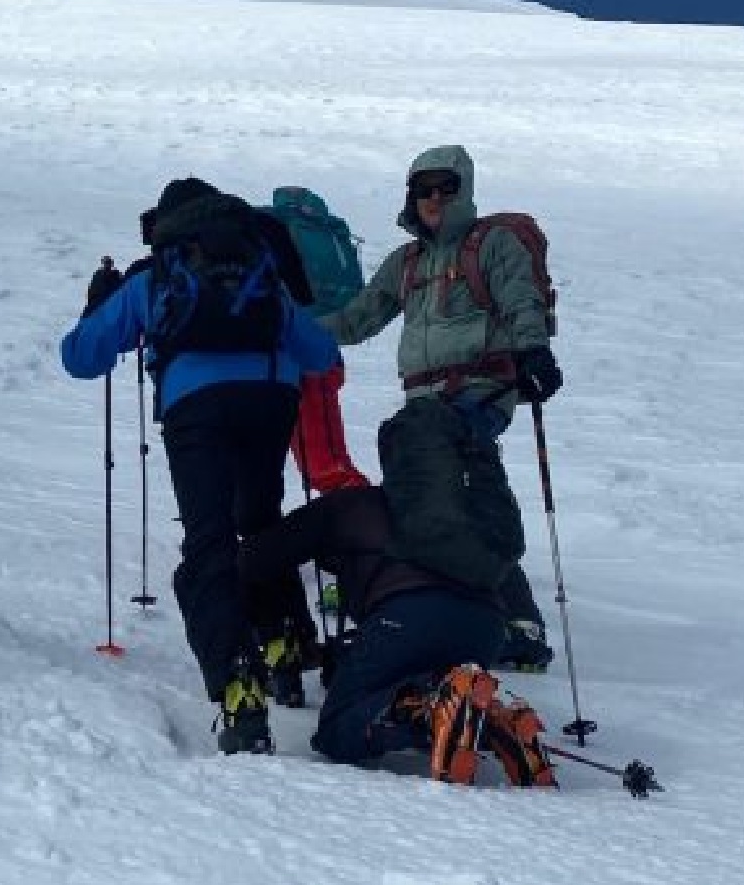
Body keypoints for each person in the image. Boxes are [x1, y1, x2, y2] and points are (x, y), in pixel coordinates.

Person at [62, 177, 339, 753]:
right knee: (261, 519)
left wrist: (97, 302)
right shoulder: (258, 262)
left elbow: (80, 358)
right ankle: (284, 644)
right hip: (270, 399)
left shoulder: (155, 273)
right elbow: (321, 354)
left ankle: (239, 687)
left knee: (209, 539)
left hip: (196, 406)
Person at [318, 146, 561, 671]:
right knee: (462, 494)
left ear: (463, 190)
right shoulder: (406, 263)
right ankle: (507, 616)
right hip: (424, 396)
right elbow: (358, 320)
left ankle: (424, 589)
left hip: (479, 388)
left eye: (444, 187)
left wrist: (534, 349)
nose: (433, 199)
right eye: (422, 189)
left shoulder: (491, 245)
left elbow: (521, 298)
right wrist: (289, 332)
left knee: (424, 468)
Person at [238, 485, 556, 786]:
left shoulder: (354, 504)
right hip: (484, 629)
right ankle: (499, 724)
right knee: (447, 688)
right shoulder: (466, 511)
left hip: (405, 618)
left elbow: (257, 559)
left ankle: (426, 705)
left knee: (336, 732)